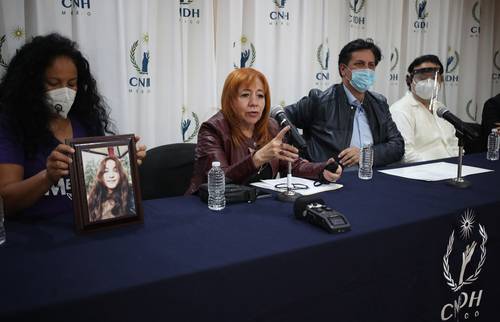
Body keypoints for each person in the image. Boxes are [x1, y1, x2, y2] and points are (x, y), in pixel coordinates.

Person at [0, 33, 146, 217]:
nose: (65, 92)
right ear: (30, 84)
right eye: (54, 83)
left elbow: (99, 187)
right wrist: (47, 177)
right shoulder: (11, 125)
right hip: (35, 235)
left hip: (84, 229)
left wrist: (124, 162)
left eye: (72, 84)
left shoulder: (85, 120)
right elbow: (5, 201)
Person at [186, 68, 342, 194]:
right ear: (230, 101)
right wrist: (256, 159)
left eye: (260, 96)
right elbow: (217, 180)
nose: (254, 103)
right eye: (245, 95)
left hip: (256, 205)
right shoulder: (213, 129)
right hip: (216, 207)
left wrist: (322, 170)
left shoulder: (272, 126)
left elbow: (293, 166)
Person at [284, 38, 404, 168]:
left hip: (371, 176)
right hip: (333, 178)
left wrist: (365, 155)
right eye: (359, 64)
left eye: (371, 65)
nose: (367, 70)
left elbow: (398, 145)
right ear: (343, 69)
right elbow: (280, 116)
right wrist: (301, 152)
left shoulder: (379, 103)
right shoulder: (321, 101)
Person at [390, 55, 458, 163]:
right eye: (422, 78)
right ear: (410, 80)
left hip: (452, 169)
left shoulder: (440, 108)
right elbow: (406, 154)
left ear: (441, 80)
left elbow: (453, 143)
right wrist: (437, 169)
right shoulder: (401, 110)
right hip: (422, 172)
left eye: (433, 78)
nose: (429, 83)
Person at [87, 155, 135, 222]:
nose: (111, 175)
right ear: (101, 175)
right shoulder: (94, 196)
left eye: (115, 170)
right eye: (106, 171)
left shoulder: (129, 193)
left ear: (120, 174)